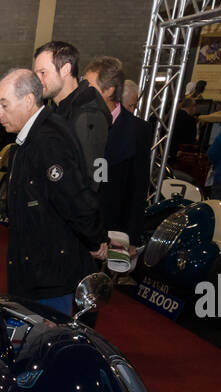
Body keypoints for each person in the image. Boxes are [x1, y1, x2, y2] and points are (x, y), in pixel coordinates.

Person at [0, 68, 107, 317]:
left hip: (50, 277)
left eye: (4, 104)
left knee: (48, 341)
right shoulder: (32, 137)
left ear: (29, 101)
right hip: (38, 269)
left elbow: (76, 199)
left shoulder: (47, 141)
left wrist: (95, 240)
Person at [84, 56, 150, 250]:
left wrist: (131, 238)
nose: (83, 93)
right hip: (79, 228)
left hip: (112, 229)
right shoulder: (78, 121)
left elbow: (138, 188)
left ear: (110, 90)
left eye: (90, 87)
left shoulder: (137, 130)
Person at [33, 41, 111, 184]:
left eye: (43, 73)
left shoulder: (87, 115)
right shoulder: (58, 109)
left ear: (65, 69)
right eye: (36, 74)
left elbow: (95, 181)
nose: (38, 80)